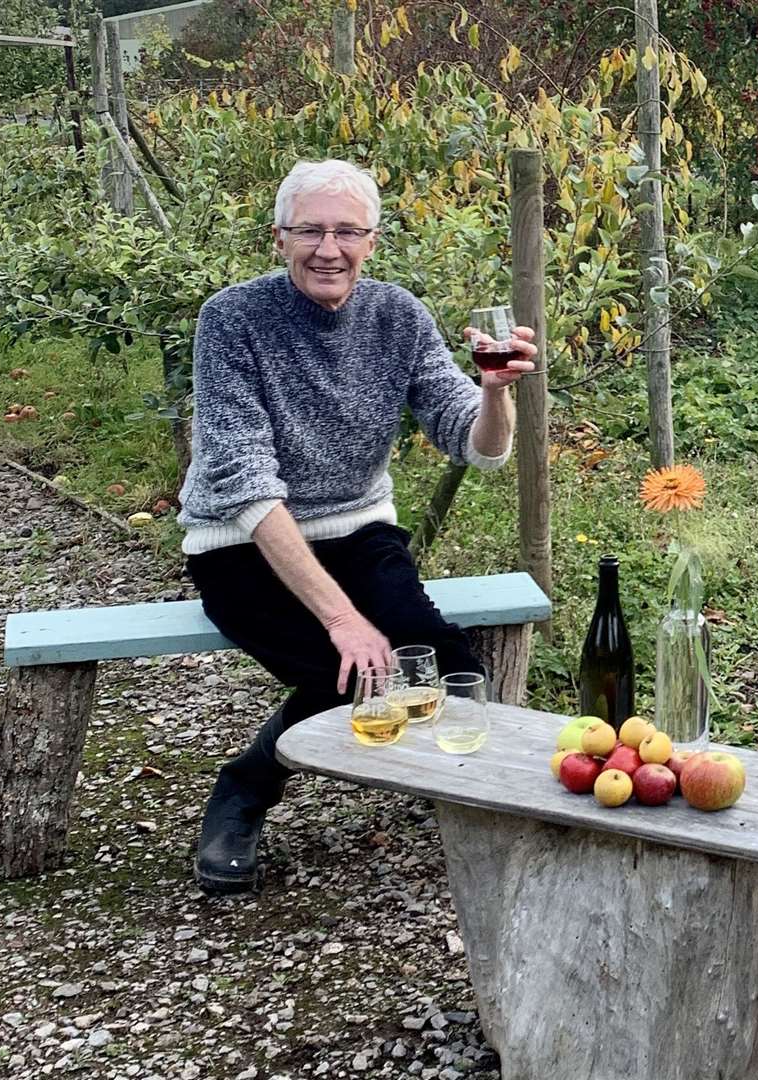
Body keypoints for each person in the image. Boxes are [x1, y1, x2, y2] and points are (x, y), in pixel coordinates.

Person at [177, 159, 537, 894]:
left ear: (372, 240)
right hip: (241, 541)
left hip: (357, 528)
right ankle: (243, 792)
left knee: (441, 660)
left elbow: (478, 446)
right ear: (279, 238)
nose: (328, 248)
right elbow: (246, 485)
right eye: (310, 230)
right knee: (350, 674)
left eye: (346, 231)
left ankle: (477, 799)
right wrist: (342, 619)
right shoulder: (232, 319)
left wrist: (496, 394)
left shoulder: (397, 315)